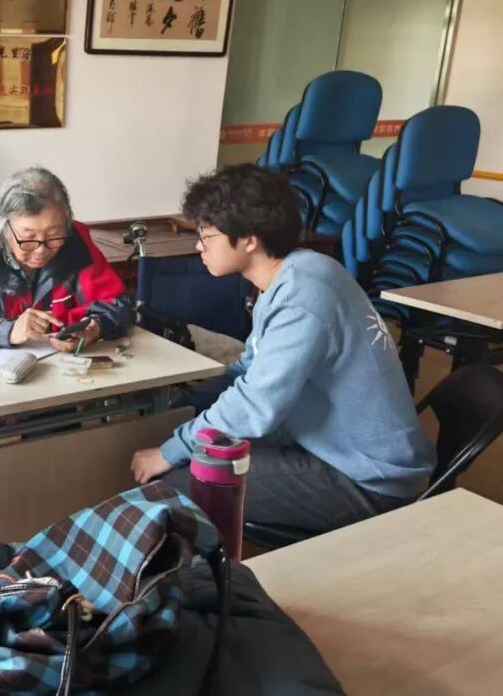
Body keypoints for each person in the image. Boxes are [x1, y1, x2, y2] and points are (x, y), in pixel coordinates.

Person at [130, 164, 436, 534]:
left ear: (249, 239)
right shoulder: (298, 273)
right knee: (194, 448)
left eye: (206, 236)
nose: (199, 246)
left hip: (369, 479)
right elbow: (250, 367)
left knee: (173, 489)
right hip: (330, 447)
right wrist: (192, 397)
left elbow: (255, 407)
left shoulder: (301, 296)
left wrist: (170, 450)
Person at [0, 167, 132, 350]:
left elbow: (117, 304)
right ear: (3, 228)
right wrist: (6, 331)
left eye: (53, 235)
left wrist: (96, 327)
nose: (41, 250)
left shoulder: (76, 245)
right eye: (28, 238)